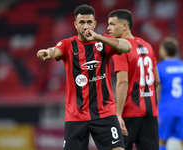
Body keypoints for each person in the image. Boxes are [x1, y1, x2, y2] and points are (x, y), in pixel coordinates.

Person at [37, 4, 132, 150]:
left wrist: (98, 37)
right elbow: (55, 51)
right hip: (76, 115)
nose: (86, 26)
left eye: (89, 22)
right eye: (82, 22)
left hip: (104, 113)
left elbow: (127, 46)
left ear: (94, 24)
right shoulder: (68, 44)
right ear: (75, 24)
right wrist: (47, 53)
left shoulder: (104, 41)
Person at [108, 9, 160, 150]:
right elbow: (157, 80)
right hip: (150, 112)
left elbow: (123, 82)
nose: (108, 28)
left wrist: (118, 114)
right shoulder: (148, 46)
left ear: (124, 26)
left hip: (130, 111)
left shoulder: (121, 48)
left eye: (112, 24)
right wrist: (155, 106)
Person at [157, 37, 183, 150]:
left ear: (164, 51)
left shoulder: (159, 67)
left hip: (166, 110)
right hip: (182, 109)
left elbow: (157, 89)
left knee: (162, 140)